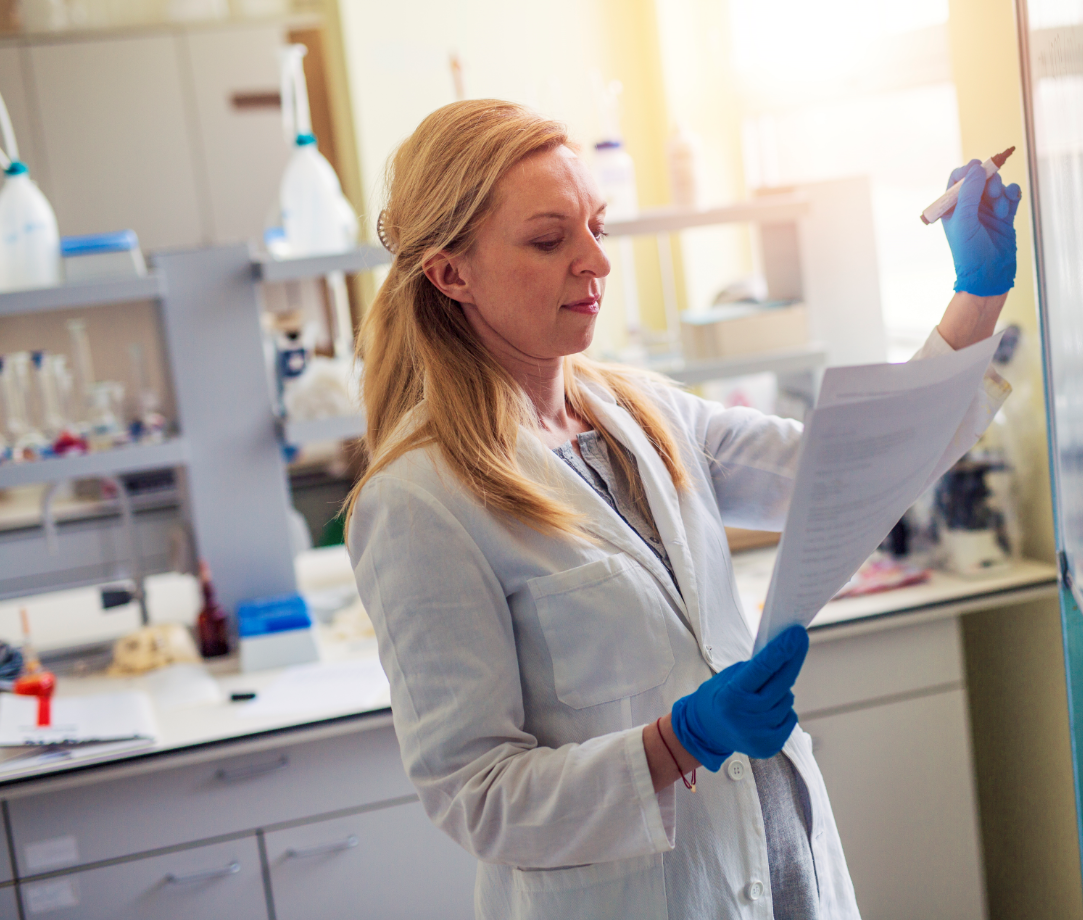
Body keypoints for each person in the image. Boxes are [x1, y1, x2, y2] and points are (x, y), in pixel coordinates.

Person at [345, 99, 1021, 920]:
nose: (595, 260)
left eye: (597, 226)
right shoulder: (418, 500)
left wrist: (974, 296)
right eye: (549, 238)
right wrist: (678, 742)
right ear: (451, 273)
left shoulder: (646, 416)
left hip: (781, 870)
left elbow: (852, 470)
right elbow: (477, 800)